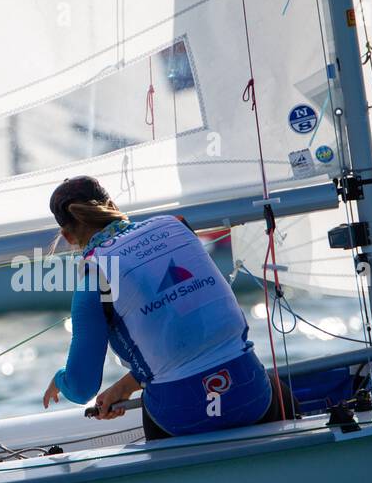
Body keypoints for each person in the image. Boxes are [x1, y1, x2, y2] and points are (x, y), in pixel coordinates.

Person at [41, 176, 289, 439]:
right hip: (248, 391)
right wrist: (127, 385)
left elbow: (81, 389)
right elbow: (190, 338)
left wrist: (60, 380)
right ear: (112, 205)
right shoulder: (176, 226)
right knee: (280, 394)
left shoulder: (93, 280)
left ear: (67, 237)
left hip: (181, 413)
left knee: (163, 404)